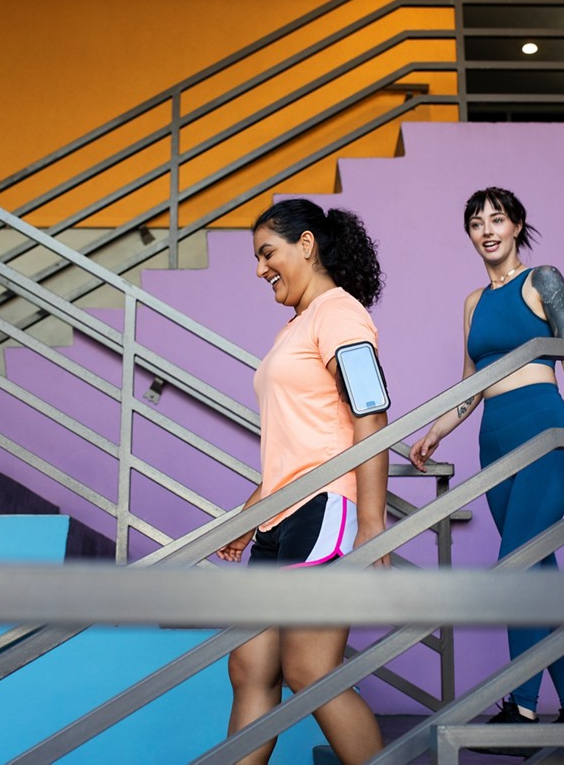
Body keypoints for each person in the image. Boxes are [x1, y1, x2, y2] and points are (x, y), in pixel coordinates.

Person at [410, 186, 564, 754]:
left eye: (497, 219)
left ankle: (519, 704)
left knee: (516, 564)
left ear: (518, 225)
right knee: (539, 570)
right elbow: (472, 386)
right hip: (493, 439)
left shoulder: (543, 280)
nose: (487, 230)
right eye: (476, 223)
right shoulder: (472, 302)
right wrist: (437, 430)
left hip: (544, 427)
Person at [216, 198, 390, 765]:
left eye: (268, 253)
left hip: (325, 506)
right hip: (280, 511)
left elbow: (369, 408)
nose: (260, 268)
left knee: (309, 668)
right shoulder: (296, 327)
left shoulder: (338, 312)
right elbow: (298, 438)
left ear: (307, 245)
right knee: (250, 667)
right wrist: (252, 510)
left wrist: (371, 522)